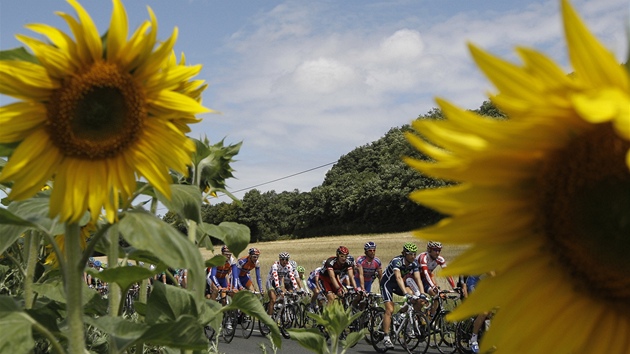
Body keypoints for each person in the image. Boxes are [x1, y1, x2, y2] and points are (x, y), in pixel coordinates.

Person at [379, 242, 426, 350]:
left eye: (415, 254)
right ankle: (386, 337)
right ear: (405, 254)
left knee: (416, 299)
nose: (413, 256)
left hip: (399, 285)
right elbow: (398, 278)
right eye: (411, 254)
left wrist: (422, 293)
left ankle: (401, 317)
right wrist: (405, 293)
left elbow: (418, 279)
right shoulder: (397, 261)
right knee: (390, 309)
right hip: (387, 284)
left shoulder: (414, 263)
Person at [417, 241, 456, 317]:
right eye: (435, 250)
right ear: (429, 250)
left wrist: (454, 287)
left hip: (425, 280)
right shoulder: (423, 257)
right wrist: (433, 286)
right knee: (421, 300)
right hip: (415, 278)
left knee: (436, 296)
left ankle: (431, 317)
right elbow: (425, 273)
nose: (437, 253)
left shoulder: (440, 259)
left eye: (439, 250)